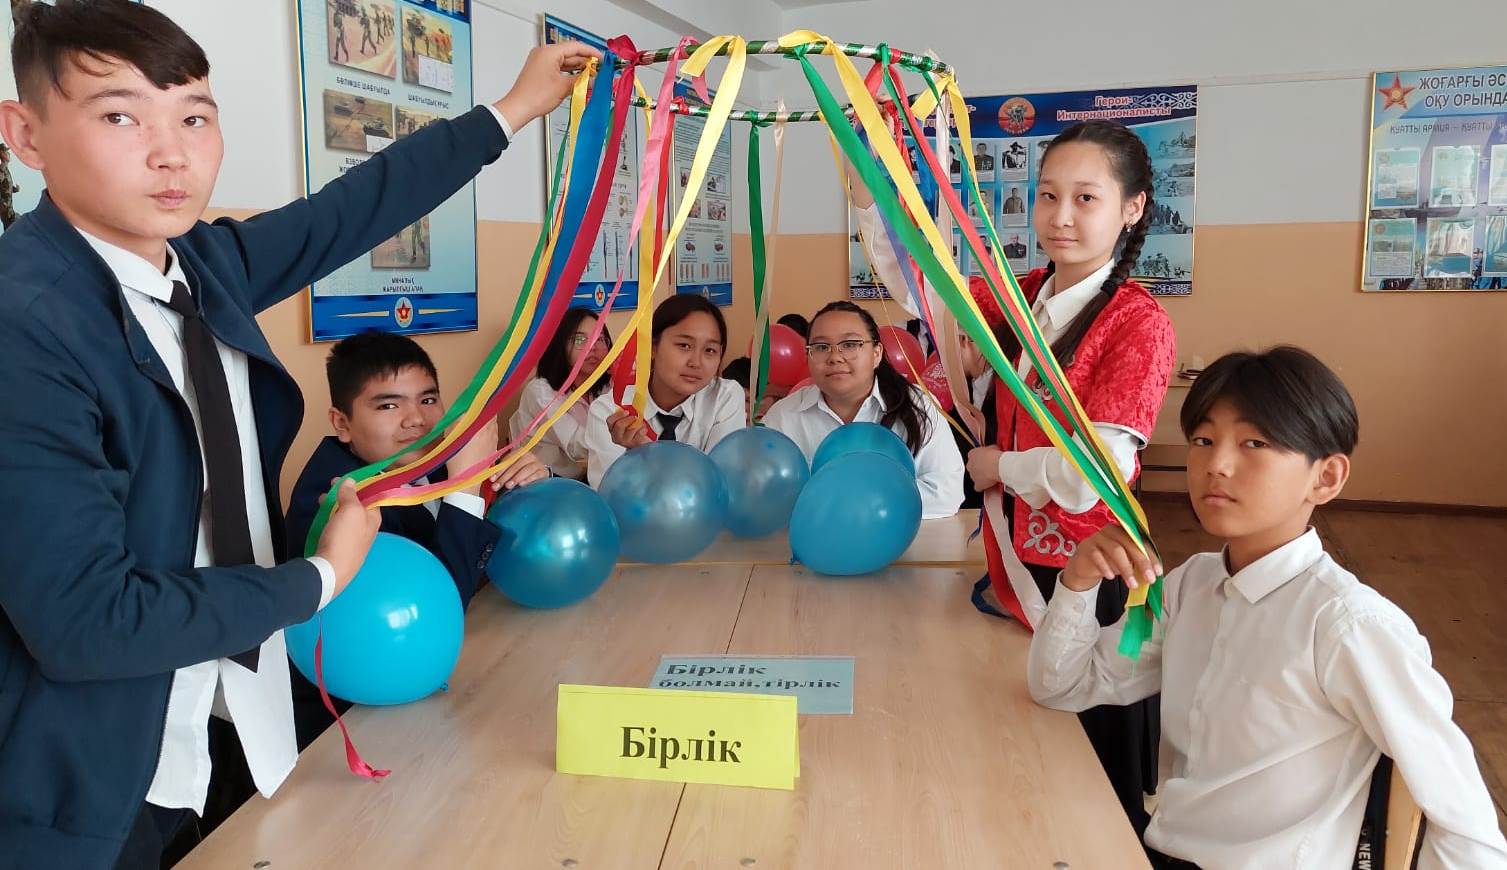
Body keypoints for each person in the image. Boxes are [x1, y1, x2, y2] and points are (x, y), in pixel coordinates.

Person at [0, 1, 597, 864]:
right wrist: (318, 579)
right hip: (83, 770)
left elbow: (353, 209)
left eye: (193, 118)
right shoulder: (26, 325)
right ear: (26, 135)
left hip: (221, 718)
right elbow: (88, 622)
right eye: (120, 117)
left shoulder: (201, 264)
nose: (171, 154)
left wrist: (510, 110)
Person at [1029, 347, 1507, 869]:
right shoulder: (1186, 589)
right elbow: (1065, 685)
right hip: (1159, 852)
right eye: (1203, 441)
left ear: (1326, 478)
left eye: (1254, 443)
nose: (1217, 465)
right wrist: (1077, 584)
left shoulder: (1350, 627)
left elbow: (1465, 824)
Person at [853, 120, 1177, 833]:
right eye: (1048, 195)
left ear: (1131, 208)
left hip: (1096, 578)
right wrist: (870, 192)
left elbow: (1095, 475)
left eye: (1086, 198)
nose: (1061, 217)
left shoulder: (1137, 324)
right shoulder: (1024, 293)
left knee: (1092, 772)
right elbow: (924, 288)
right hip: (1018, 559)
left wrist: (997, 466)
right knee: (1021, 746)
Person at [285, 332, 547, 748]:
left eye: (428, 399)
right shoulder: (335, 498)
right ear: (342, 423)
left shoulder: (428, 461)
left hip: (436, 691)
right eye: (388, 405)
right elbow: (438, 612)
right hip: (350, 721)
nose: (417, 420)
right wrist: (466, 487)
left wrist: (532, 479)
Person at [762, 301, 964, 519]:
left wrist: (856, 503)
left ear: (876, 353)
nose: (835, 357)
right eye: (821, 347)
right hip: (809, 538)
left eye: (850, 344)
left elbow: (945, 492)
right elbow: (766, 493)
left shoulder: (918, 406)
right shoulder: (783, 417)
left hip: (900, 538)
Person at [583, 294, 744, 486]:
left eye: (710, 350)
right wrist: (634, 456)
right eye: (684, 345)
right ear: (651, 347)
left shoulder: (724, 397)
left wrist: (650, 453)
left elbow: (720, 483)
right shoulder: (611, 412)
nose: (696, 362)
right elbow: (610, 493)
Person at [508, 307, 611, 479]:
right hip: (543, 482)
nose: (592, 346)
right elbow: (576, 446)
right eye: (580, 340)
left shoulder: (605, 386)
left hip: (586, 479)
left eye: (599, 338)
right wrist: (621, 437)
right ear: (560, 344)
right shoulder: (540, 392)